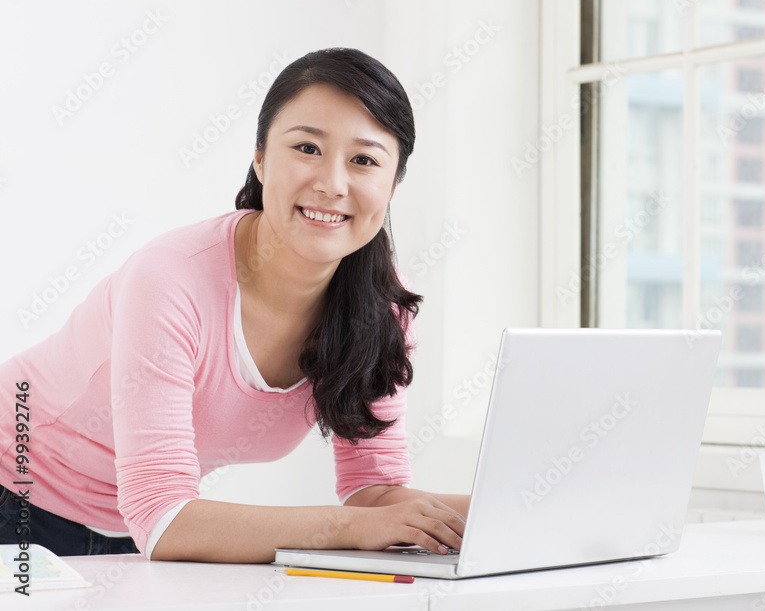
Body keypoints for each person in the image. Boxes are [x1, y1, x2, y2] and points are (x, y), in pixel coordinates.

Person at [0, 47, 468, 562]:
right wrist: (347, 528)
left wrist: (514, 512)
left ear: (393, 183)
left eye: (364, 160)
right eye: (308, 148)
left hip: (133, 536)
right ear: (261, 159)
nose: (332, 183)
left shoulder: (382, 306)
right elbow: (164, 516)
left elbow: (375, 492)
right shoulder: (171, 278)